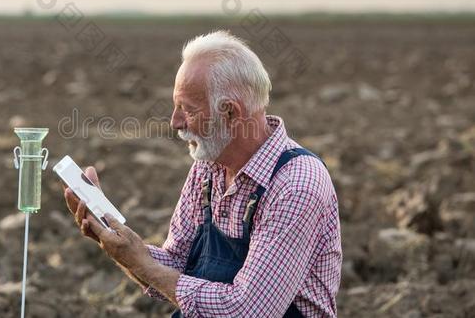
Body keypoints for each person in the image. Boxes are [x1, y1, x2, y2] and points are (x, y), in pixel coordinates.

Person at [63, 30, 342, 317]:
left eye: (187, 109)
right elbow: (175, 265)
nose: (175, 121)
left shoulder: (296, 185)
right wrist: (109, 233)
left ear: (230, 113)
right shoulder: (208, 168)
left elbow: (249, 310)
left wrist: (142, 264)